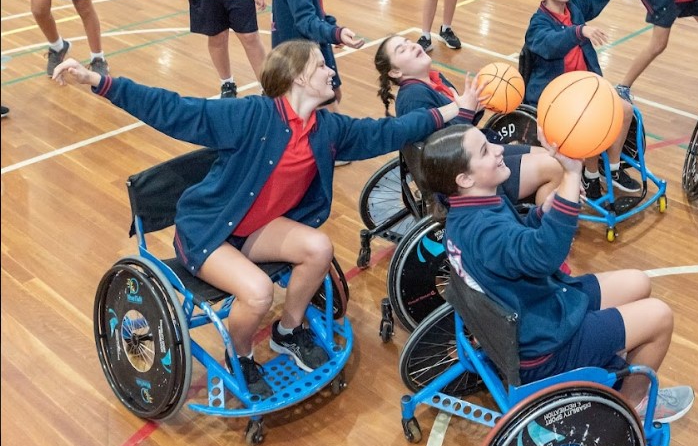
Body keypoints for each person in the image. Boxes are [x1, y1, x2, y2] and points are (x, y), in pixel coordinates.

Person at [52, 40, 478, 399]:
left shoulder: (327, 128)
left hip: (258, 229)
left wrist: (451, 112)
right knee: (256, 292)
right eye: (320, 66)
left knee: (318, 248)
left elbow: (387, 132)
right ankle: (239, 354)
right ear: (298, 79)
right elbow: (174, 109)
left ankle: (288, 331)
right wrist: (100, 82)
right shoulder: (251, 115)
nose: (331, 70)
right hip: (211, 231)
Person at [419, 125, 694, 422]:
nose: (499, 149)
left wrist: (542, 213)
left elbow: (514, 247)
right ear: (464, 179)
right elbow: (542, 256)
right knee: (660, 316)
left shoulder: (468, 211)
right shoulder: (484, 228)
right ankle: (631, 409)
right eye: (485, 151)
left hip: (536, 311)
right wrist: (572, 176)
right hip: (546, 346)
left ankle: (610, 364)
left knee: (638, 282)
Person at [375, 35, 563, 204]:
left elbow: (460, 124)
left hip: (477, 155)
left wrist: (477, 105)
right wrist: (466, 111)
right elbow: (444, 155)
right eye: (402, 49)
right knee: (554, 166)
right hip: (466, 178)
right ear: (395, 72)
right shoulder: (413, 98)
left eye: (409, 42)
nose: (413, 45)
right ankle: (546, 234)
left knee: (548, 154)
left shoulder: (434, 80)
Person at [524, 0, 640, 198]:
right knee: (589, 119)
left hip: (584, 86)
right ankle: (590, 176)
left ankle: (611, 168)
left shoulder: (574, 7)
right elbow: (551, 44)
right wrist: (579, 31)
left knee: (625, 109)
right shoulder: (538, 23)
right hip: (555, 97)